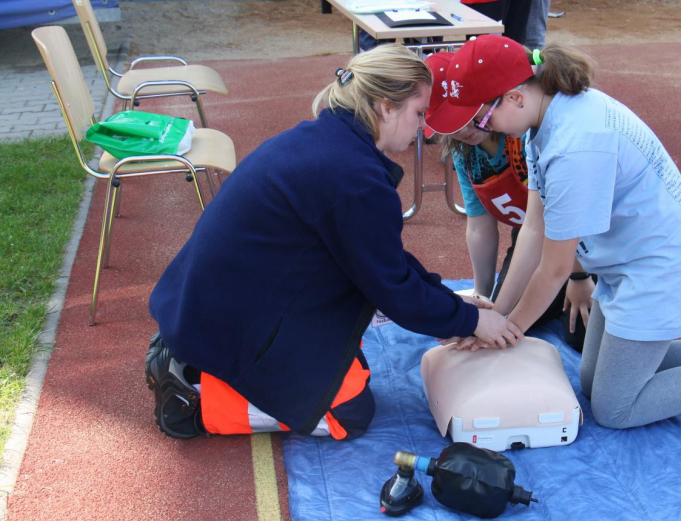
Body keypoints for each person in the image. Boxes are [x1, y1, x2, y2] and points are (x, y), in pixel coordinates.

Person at [431, 35, 681, 446]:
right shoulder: (544, 121)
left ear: (514, 98)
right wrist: (496, 316)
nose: (481, 128)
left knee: (614, 408)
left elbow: (556, 267)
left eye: (483, 118)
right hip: (627, 262)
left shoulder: (574, 145)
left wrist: (509, 331)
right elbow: (533, 231)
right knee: (594, 381)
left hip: (657, 268)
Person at [146, 44, 523, 440]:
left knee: (343, 353)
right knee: (350, 411)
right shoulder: (354, 177)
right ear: (385, 107)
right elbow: (392, 288)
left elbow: (380, 258)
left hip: (207, 308)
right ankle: (195, 397)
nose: (423, 128)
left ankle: (196, 362)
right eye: (419, 112)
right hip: (227, 324)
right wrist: (471, 320)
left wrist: (450, 304)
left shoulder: (330, 143)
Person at [424, 50, 590, 350]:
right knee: (503, 319)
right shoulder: (465, 152)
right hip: (537, 240)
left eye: (466, 117)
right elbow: (479, 227)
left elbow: (569, 215)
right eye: (450, 124)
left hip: (582, 240)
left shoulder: (523, 130)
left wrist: (581, 276)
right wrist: (484, 301)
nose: (461, 129)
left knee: (580, 334)